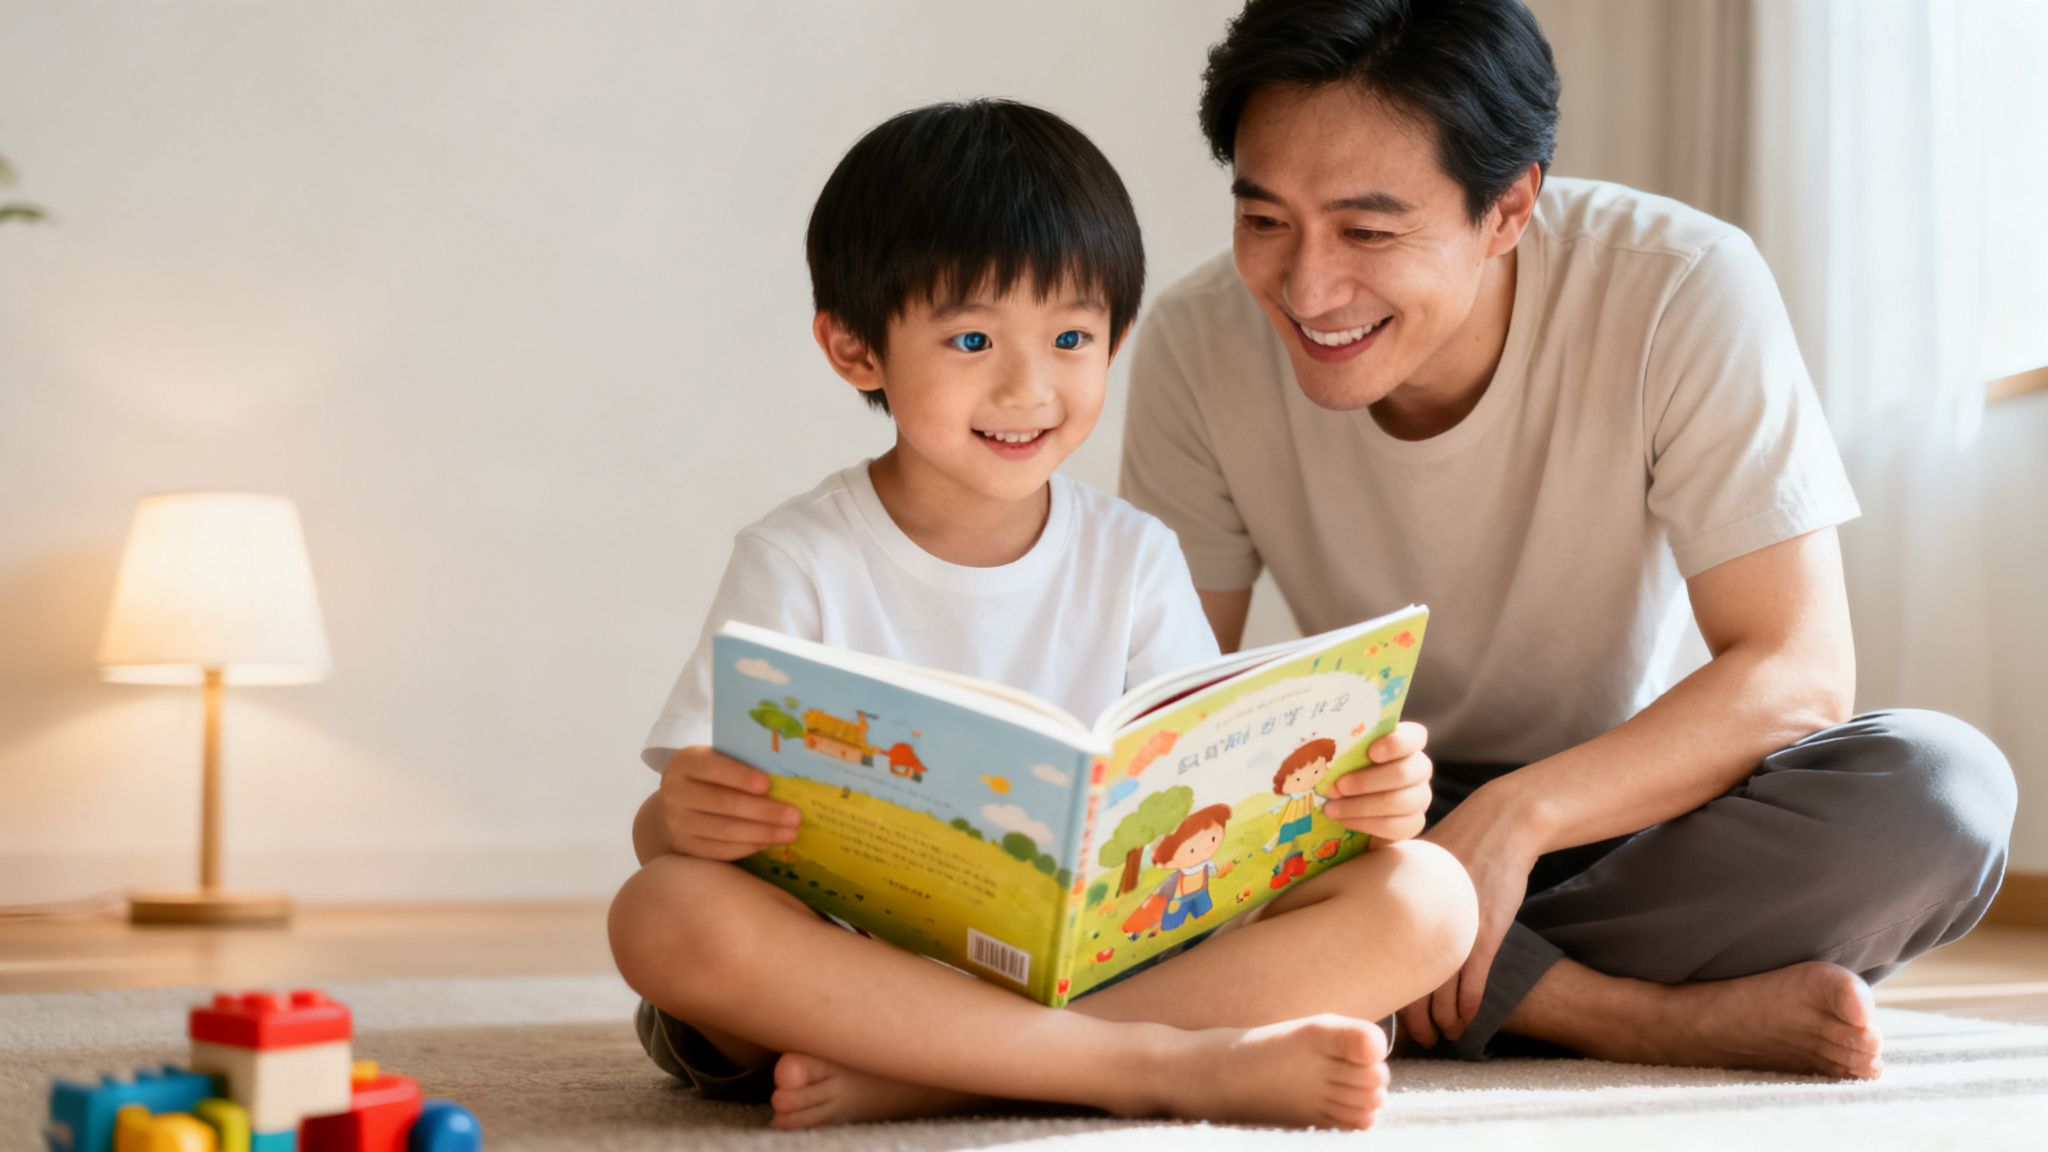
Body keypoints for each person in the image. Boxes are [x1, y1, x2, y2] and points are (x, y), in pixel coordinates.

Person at [1121, 0, 2016, 1078]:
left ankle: (1396, 978)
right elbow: (1169, 721)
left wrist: (1515, 819)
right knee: (1183, 865)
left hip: (1640, 806)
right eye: (1264, 220)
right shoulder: (1193, 342)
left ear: (1507, 209)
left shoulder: (1676, 285)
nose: (1305, 289)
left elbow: (1793, 673)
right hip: (1378, 820)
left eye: (1366, 230)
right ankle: (1613, 1014)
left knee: (1936, 795)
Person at [608, 98, 1478, 1132]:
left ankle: (959, 1074)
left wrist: (1354, 797)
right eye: (971, 338)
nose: (1028, 386)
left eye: (1071, 336)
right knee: (664, 915)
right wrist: (683, 818)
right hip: (852, 979)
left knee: (1427, 897)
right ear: (854, 350)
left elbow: (1214, 805)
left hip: (1094, 967)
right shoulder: (798, 559)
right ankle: (1155, 1067)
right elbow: (666, 833)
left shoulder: (1136, 556)